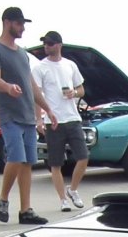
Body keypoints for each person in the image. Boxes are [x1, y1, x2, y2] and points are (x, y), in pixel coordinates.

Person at [0, 7, 57, 225]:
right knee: (16, 157)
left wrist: (47, 109)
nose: (22, 28)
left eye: (23, 24)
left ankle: (26, 210)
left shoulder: (22, 54)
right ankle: (3, 198)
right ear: (7, 22)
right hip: (10, 114)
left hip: (27, 115)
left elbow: (32, 86)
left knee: (27, 163)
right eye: (19, 23)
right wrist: (7, 87)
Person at [34, 31, 88, 211]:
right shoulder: (40, 68)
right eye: (45, 44)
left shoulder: (70, 65)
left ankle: (73, 189)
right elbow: (37, 95)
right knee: (55, 163)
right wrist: (39, 120)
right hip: (53, 120)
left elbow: (81, 89)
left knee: (83, 157)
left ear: (59, 45)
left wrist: (74, 93)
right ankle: (63, 199)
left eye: (50, 43)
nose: (46, 47)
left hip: (72, 117)